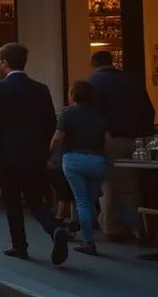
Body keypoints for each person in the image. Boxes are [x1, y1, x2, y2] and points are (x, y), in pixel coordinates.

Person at [0, 42, 69, 265]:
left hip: (7, 154)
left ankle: (19, 245)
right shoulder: (40, 89)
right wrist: (46, 151)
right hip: (34, 155)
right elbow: (51, 123)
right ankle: (54, 229)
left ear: (4, 62)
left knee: (12, 201)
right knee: (35, 199)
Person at [53, 80, 140, 256]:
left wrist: (48, 153)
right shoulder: (99, 116)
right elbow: (108, 143)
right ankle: (137, 227)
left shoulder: (66, 114)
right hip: (97, 161)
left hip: (73, 160)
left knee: (82, 202)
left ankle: (88, 242)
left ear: (72, 95)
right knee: (93, 199)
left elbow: (57, 139)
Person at [88, 50, 155, 241]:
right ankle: (135, 224)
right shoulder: (132, 81)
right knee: (131, 185)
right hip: (138, 141)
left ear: (93, 64)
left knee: (112, 186)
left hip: (111, 140)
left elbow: (94, 115)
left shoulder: (94, 83)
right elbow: (148, 111)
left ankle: (115, 227)